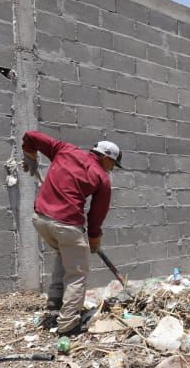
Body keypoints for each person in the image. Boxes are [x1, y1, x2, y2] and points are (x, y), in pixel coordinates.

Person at [21, 132, 121, 336]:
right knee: (77, 273)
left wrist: (29, 154)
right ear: (105, 157)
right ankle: (68, 324)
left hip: (40, 219)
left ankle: (55, 301)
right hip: (66, 225)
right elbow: (97, 214)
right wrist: (94, 238)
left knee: (64, 254)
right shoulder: (102, 178)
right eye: (113, 164)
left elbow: (31, 136)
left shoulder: (65, 150)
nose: (112, 168)